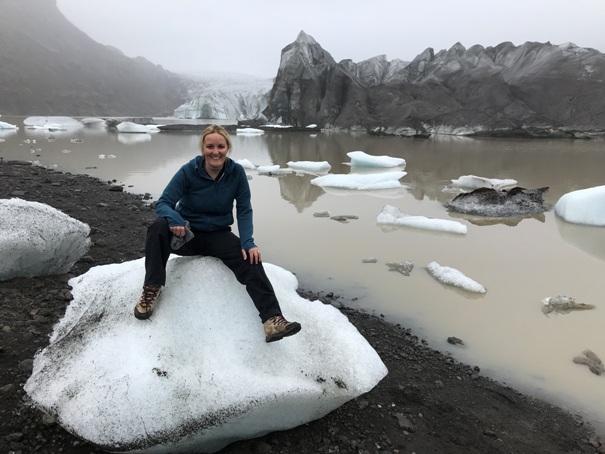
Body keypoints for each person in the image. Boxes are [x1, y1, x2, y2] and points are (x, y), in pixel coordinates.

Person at [134, 124, 301, 343]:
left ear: (227, 148)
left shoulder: (236, 173)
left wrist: (248, 242)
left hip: (217, 235)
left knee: (249, 257)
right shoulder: (189, 170)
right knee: (157, 228)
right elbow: (164, 203)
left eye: (220, 146)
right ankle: (152, 289)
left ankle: (272, 320)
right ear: (203, 148)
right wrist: (175, 221)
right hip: (187, 235)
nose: (216, 151)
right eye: (210, 146)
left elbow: (244, 209)